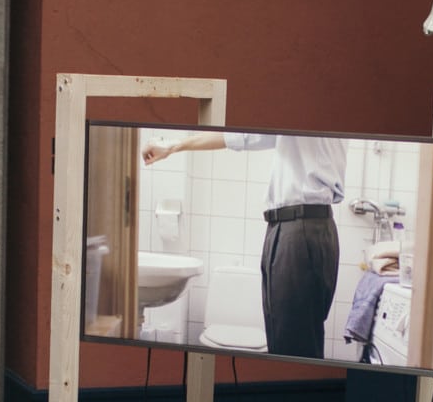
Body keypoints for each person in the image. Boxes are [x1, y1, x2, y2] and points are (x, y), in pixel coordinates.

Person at [142, 131, 345, 358]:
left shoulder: (306, 111)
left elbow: (242, 134)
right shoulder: (298, 128)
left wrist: (173, 145)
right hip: (295, 226)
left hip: (300, 228)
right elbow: (242, 136)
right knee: (287, 341)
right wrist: (173, 146)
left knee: (293, 348)